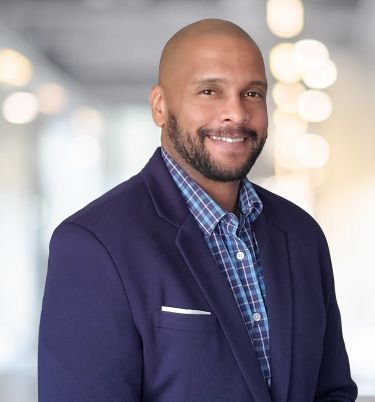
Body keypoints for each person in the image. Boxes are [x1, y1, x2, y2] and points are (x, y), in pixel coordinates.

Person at [38, 18, 358, 402]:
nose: (236, 114)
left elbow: (331, 390)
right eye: (209, 91)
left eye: (252, 94)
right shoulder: (94, 245)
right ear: (160, 106)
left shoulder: (302, 235)